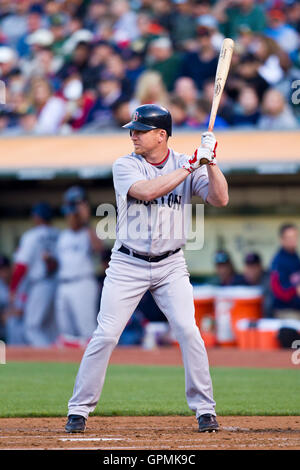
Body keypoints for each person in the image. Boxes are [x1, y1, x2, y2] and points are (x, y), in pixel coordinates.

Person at [65, 103, 229, 434]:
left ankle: (205, 410)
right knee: (106, 334)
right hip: (127, 262)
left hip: (171, 264)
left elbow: (220, 198)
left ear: (161, 135)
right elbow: (147, 191)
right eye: (133, 130)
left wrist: (211, 164)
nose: (134, 136)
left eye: (140, 131)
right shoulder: (126, 164)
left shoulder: (188, 162)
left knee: (188, 331)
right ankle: (78, 410)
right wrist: (193, 165)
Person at [55, 186, 103, 344]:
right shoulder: (63, 236)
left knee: (86, 330)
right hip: (63, 284)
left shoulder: (88, 233)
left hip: (83, 283)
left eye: (74, 213)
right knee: (65, 332)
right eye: (69, 213)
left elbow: (99, 249)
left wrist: (86, 220)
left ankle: (91, 367)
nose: (71, 216)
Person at [9, 202, 59, 346]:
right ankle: (60, 360)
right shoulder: (59, 234)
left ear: (37, 217)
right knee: (51, 330)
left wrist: (13, 289)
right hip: (59, 284)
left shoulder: (31, 235)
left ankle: (49, 358)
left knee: (32, 327)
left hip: (41, 285)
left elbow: (21, 266)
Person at [269, 223, 300, 319]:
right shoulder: (278, 260)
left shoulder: (295, 257)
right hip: (286, 312)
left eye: (294, 236)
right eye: (288, 237)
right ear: (282, 239)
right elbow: (279, 290)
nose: (292, 240)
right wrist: (295, 290)